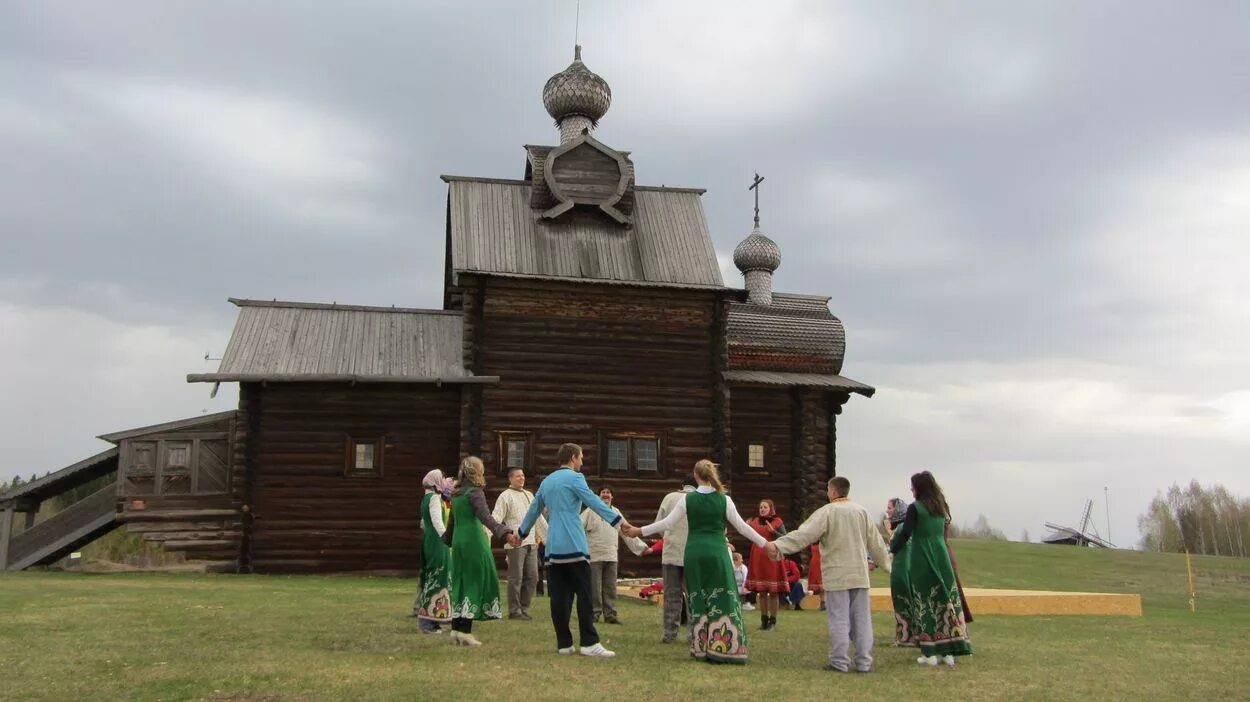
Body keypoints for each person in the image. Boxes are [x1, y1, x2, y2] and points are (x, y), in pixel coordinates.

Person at [624, 459, 768, 664]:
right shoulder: (724, 499)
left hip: (694, 553)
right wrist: (766, 544)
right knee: (724, 597)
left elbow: (666, 524)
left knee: (697, 598)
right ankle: (727, 648)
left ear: (696, 475)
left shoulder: (687, 500)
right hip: (717, 553)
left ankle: (700, 646)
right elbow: (743, 528)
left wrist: (639, 530)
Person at [767, 476, 891, 673]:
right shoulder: (861, 512)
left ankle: (840, 662)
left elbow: (804, 534)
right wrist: (888, 565)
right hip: (859, 574)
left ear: (833, 492)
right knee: (862, 620)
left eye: (828, 490)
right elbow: (876, 543)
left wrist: (778, 545)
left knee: (839, 618)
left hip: (837, 575)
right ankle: (864, 662)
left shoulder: (827, 512)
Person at [517, 443, 631, 658]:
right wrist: (618, 521)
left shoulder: (547, 481)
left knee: (558, 597)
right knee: (585, 594)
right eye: (580, 458)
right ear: (573, 457)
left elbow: (534, 509)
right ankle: (589, 642)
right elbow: (594, 502)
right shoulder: (576, 479)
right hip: (574, 544)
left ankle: (564, 643)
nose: (582, 462)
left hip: (553, 546)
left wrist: (521, 533)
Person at [889, 471, 973, 667]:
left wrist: (891, 549)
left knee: (925, 601)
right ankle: (948, 651)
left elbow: (906, 532)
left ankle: (930, 653)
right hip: (941, 555)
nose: (911, 489)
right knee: (946, 600)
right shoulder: (941, 508)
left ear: (919, 488)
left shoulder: (915, 508)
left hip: (923, 557)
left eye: (913, 486)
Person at [442, 456, 521, 646]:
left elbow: (451, 523)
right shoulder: (475, 492)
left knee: (461, 581)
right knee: (475, 580)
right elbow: (486, 518)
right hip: (474, 541)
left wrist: (446, 541)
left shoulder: (457, 493)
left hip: (459, 541)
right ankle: (465, 631)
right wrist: (506, 533)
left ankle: (455, 629)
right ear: (477, 471)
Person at [582, 485, 648, 624]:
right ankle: (594, 613)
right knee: (594, 587)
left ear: (612, 496)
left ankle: (610, 615)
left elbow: (626, 531)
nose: (605, 495)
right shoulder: (590, 511)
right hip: (594, 555)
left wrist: (641, 548)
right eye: (603, 492)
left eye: (608, 493)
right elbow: (578, 527)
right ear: (598, 496)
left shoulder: (616, 512)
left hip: (611, 555)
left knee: (610, 587)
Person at [491, 467, 548, 620]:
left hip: (531, 543)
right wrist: (487, 533)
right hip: (516, 543)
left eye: (523, 476)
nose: (521, 478)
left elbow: (538, 518)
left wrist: (549, 538)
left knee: (533, 577)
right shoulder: (505, 496)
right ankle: (514, 611)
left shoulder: (529, 495)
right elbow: (496, 517)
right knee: (516, 578)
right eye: (518, 476)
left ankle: (524, 608)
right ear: (510, 479)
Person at [654, 475, 697, 643]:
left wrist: (668, 537)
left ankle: (669, 634)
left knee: (672, 595)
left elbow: (659, 523)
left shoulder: (670, 497)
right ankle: (693, 635)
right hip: (692, 553)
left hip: (671, 553)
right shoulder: (699, 500)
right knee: (693, 595)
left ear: (682, 484)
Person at [414, 469, 453, 633]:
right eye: (442, 478)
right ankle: (427, 622)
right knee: (438, 576)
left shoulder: (425, 498)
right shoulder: (435, 499)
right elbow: (437, 521)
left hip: (429, 540)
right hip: (438, 542)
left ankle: (434, 619)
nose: (444, 480)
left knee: (432, 576)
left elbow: (424, 523)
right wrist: (447, 539)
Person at [746, 499, 788, 630]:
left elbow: (785, 537)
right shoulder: (754, 522)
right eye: (760, 507)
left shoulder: (777, 521)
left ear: (771, 508)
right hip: (758, 558)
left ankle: (773, 622)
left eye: (765, 507)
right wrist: (747, 527)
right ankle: (764, 620)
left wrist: (773, 531)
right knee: (762, 592)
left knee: (773, 592)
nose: (762, 509)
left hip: (772, 558)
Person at [884, 496, 914, 645]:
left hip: (901, 569)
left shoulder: (900, 529)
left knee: (902, 602)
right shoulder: (907, 527)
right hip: (908, 568)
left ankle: (905, 637)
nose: (887, 511)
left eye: (889, 508)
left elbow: (892, 547)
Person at [808, 544, 824, 611]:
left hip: (822, 563)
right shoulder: (812, 543)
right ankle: (822, 603)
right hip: (814, 564)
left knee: (823, 584)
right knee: (819, 586)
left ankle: (823, 603)